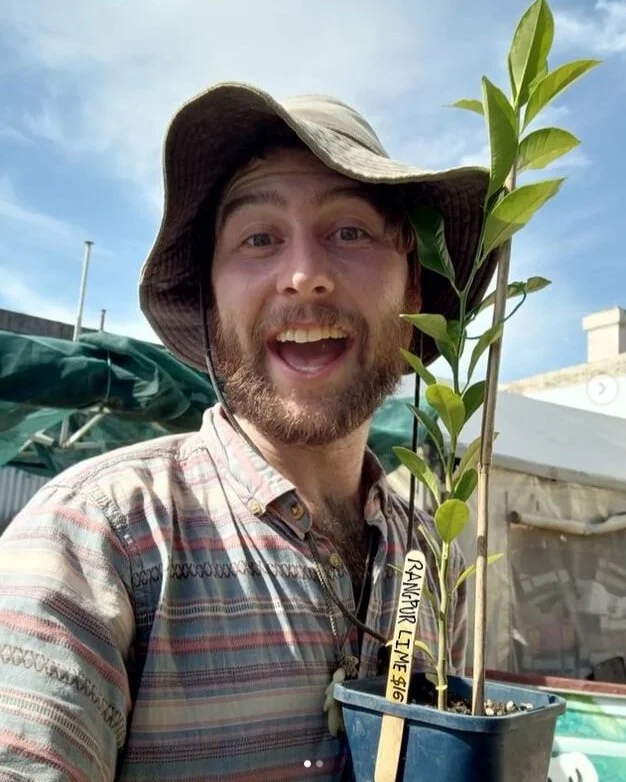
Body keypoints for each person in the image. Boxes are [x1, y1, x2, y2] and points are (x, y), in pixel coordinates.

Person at [0, 83, 500, 781]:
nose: (305, 276)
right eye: (258, 238)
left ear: (413, 290)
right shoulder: (98, 540)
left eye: (349, 231)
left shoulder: (431, 556)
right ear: (211, 299)